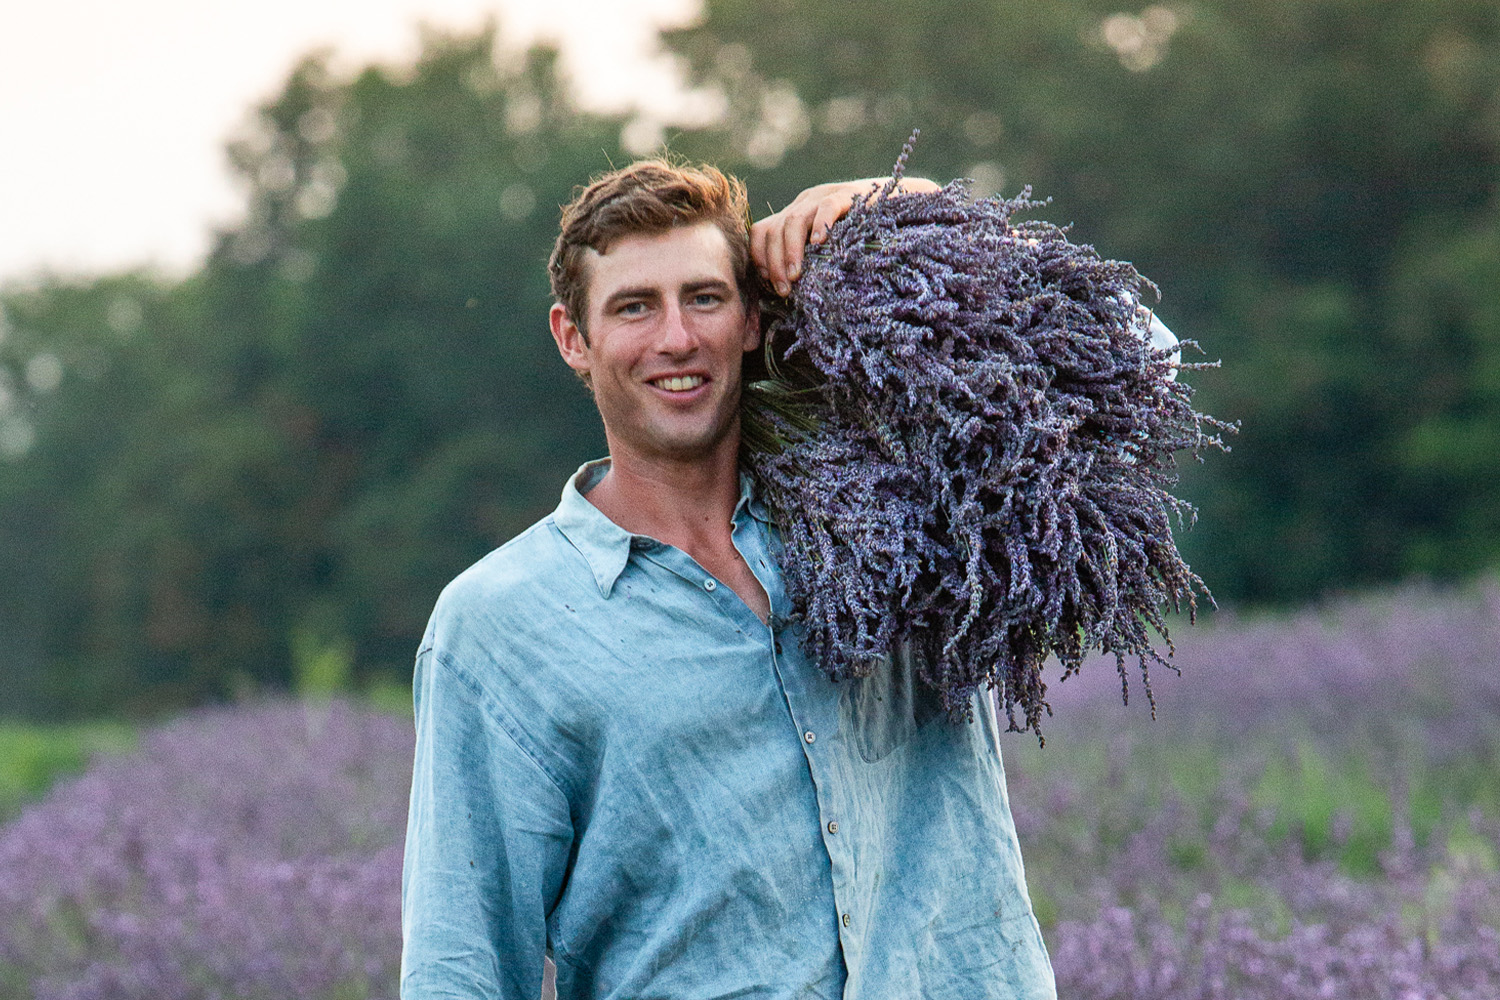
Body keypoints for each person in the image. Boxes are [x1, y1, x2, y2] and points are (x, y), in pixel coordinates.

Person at [399, 160, 1059, 999]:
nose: (677, 338)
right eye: (634, 307)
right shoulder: (501, 624)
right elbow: (460, 967)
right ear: (573, 338)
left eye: (704, 298)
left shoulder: (904, 519)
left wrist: (907, 214)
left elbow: (1144, 366)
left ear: (751, 317)